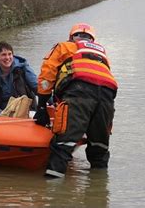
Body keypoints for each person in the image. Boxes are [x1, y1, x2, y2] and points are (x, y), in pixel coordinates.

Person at [34, 22, 118, 178]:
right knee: (99, 149)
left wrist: (41, 108)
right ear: (92, 40)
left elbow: (47, 76)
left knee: (63, 146)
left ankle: (52, 194)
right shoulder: (102, 53)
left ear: (71, 37)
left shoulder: (64, 47)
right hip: (107, 98)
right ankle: (98, 193)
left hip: (78, 94)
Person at [0, 41, 37, 115]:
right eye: (3, 55)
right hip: (1, 115)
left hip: (25, 112)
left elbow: (37, 87)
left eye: (10, 54)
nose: (7, 58)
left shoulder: (23, 69)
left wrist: (50, 100)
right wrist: (0, 112)